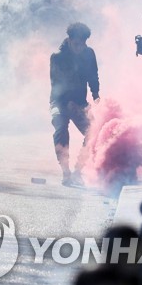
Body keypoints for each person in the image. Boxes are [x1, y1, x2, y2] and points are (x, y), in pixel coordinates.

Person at [50, 22, 100, 187]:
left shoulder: (89, 54)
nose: (80, 47)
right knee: (61, 130)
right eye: (77, 44)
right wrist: (68, 102)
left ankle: (78, 171)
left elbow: (93, 76)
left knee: (94, 132)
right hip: (60, 102)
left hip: (80, 102)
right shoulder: (57, 57)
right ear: (69, 40)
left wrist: (96, 95)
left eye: (83, 43)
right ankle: (66, 173)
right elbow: (57, 84)